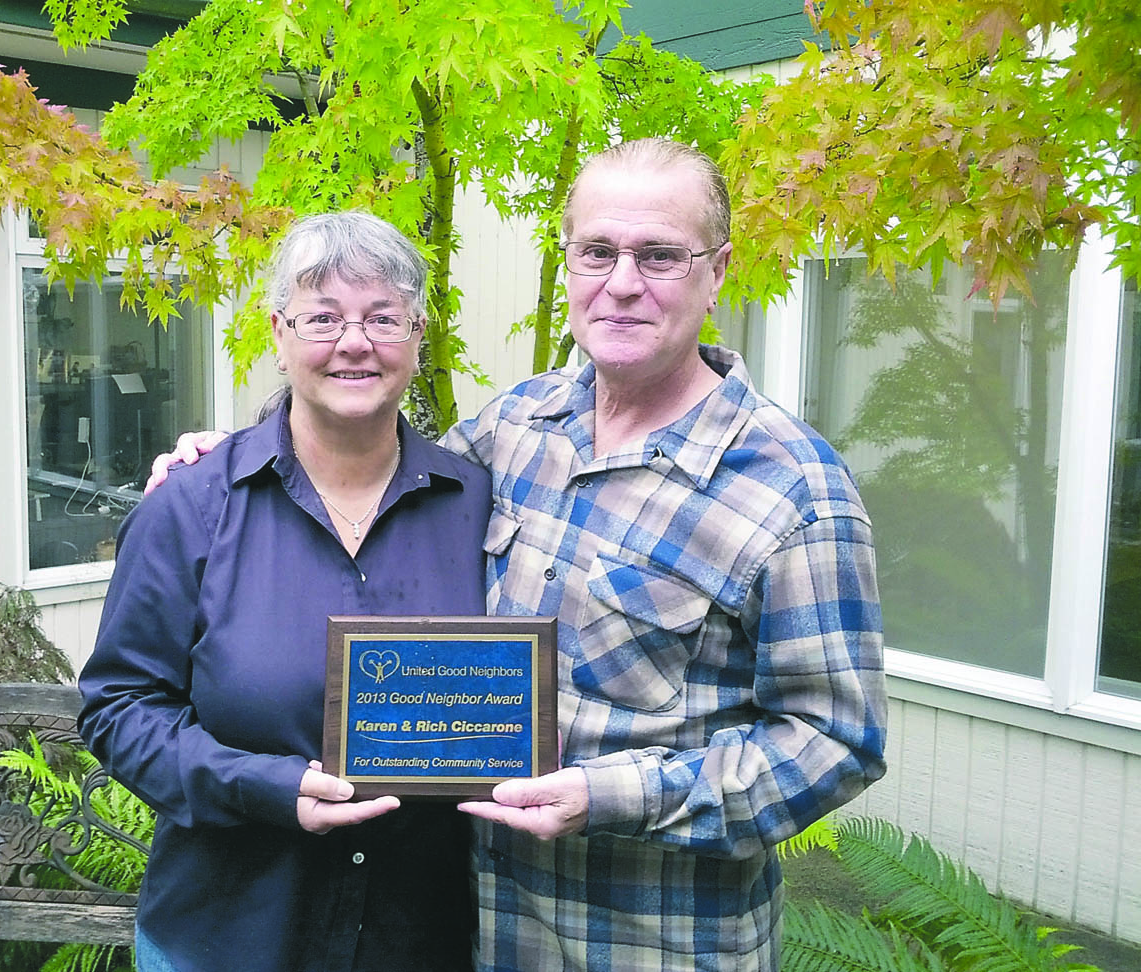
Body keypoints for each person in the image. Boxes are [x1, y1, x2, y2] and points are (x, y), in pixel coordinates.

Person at [148, 138, 888, 972]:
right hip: (476, 934)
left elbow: (837, 740)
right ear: (567, 263)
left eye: (660, 255)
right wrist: (234, 459)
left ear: (717, 271)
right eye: (597, 251)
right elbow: (364, 464)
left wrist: (613, 797)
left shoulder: (795, 491)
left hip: (653, 945)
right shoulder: (518, 430)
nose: (622, 282)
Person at [78, 211, 491, 972]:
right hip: (228, 935)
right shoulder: (193, 506)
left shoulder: (479, 505)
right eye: (323, 317)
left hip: (419, 940)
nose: (355, 341)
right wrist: (259, 786)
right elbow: (119, 707)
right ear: (277, 332)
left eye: (382, 317)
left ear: (417, 334)